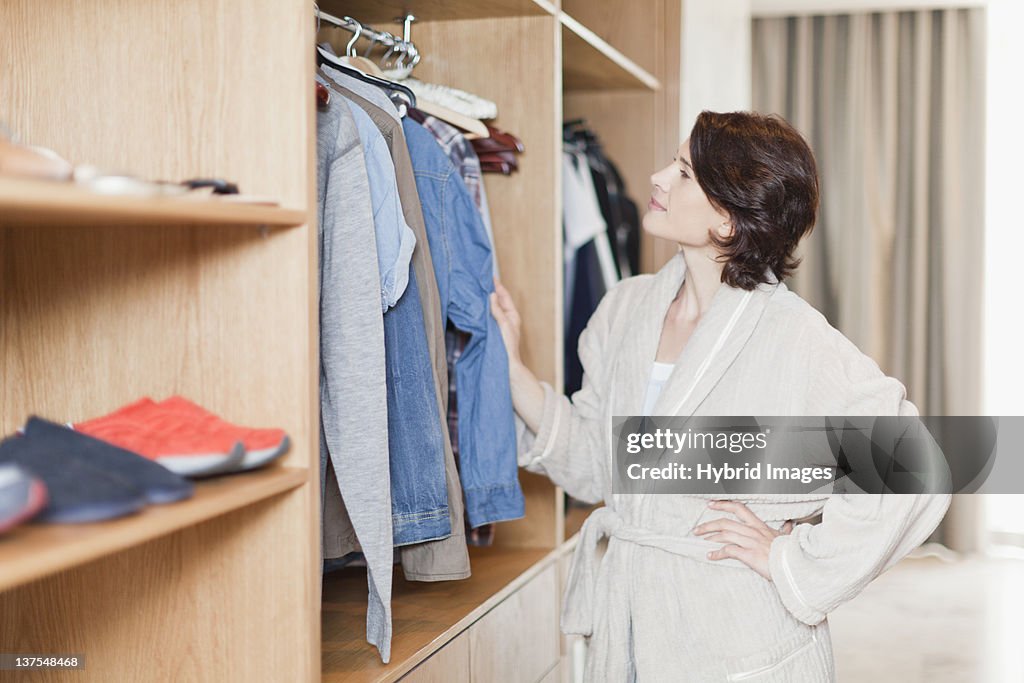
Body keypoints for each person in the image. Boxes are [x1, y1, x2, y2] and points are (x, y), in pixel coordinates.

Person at [490, 111, 952, 682]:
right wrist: (512, 374)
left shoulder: (791, 334)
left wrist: (790, 559)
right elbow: (593, 469)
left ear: (729, 221)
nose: (658, 178)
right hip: (629, 625)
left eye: (684, 173)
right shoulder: (624, 310)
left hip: (738, 640)